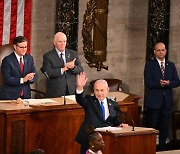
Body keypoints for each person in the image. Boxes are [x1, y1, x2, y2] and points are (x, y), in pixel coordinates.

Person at [75, 72, 128, 154]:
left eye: (102, 90)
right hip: (90, 140)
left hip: (106, 140)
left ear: (107, 90)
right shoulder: (89, 101)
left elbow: (116, 120)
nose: (99, 93)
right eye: (97, 90)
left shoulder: (113, 104)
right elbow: (80, 99)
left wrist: (121, 124)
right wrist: (79, 87)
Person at [144, 42, 180, 151]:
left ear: (166, 51)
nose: (161, 52)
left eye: (163, 50)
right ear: (154, 52)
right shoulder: (150, 65)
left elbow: (177, 82)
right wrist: (159, 83)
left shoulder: (171, 65)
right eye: (158, 50)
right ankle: (150, 148)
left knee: (164, 127)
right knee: (153, 127)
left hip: (167, 102)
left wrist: (169, 83)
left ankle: (163, 149)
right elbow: (148, 83)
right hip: (154, 102)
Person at [41, 32, 83, 97]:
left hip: (71, 91)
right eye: (60, 41)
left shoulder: (73, 54)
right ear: (54, 43)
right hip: (56, 92)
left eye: (64, 41)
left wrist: (73, 67)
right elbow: (48, 73)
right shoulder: (48, 56)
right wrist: (62, 69)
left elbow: (80, 70)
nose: (62, 44)